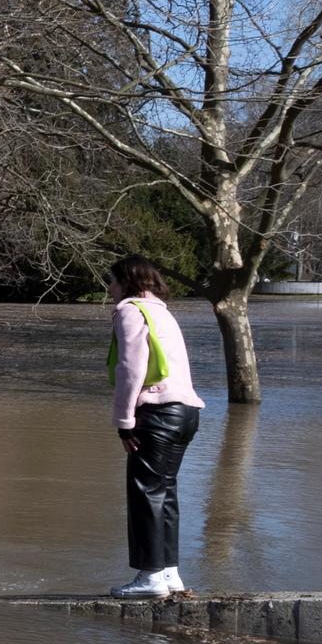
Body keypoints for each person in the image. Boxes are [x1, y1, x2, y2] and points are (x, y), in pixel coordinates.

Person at [105, 254, 206, 598]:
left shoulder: (130, 311)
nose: (109, 288)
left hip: (158, 413)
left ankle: (149, 578)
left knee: (144, 492)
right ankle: (169, 574)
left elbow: (131, 368)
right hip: (186, 413)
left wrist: (124, 422)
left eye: (113, 280)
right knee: (165, 492)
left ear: (128, 281)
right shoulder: (163, 312)